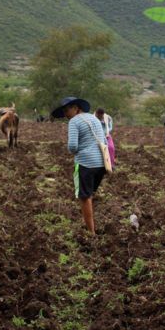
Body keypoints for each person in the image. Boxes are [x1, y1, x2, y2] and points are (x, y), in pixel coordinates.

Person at [51, 97, 107, 235]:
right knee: (89, 194)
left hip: (86, 163)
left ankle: (91, 232)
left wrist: (73, 151)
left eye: (67, 110)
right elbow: (104, 138)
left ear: (76, 108)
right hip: (101, 163)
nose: (66, 113)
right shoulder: (94, 118)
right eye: (64, 111)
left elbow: (72, 146)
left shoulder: (74, 122)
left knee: (84, 197)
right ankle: (89, 222)